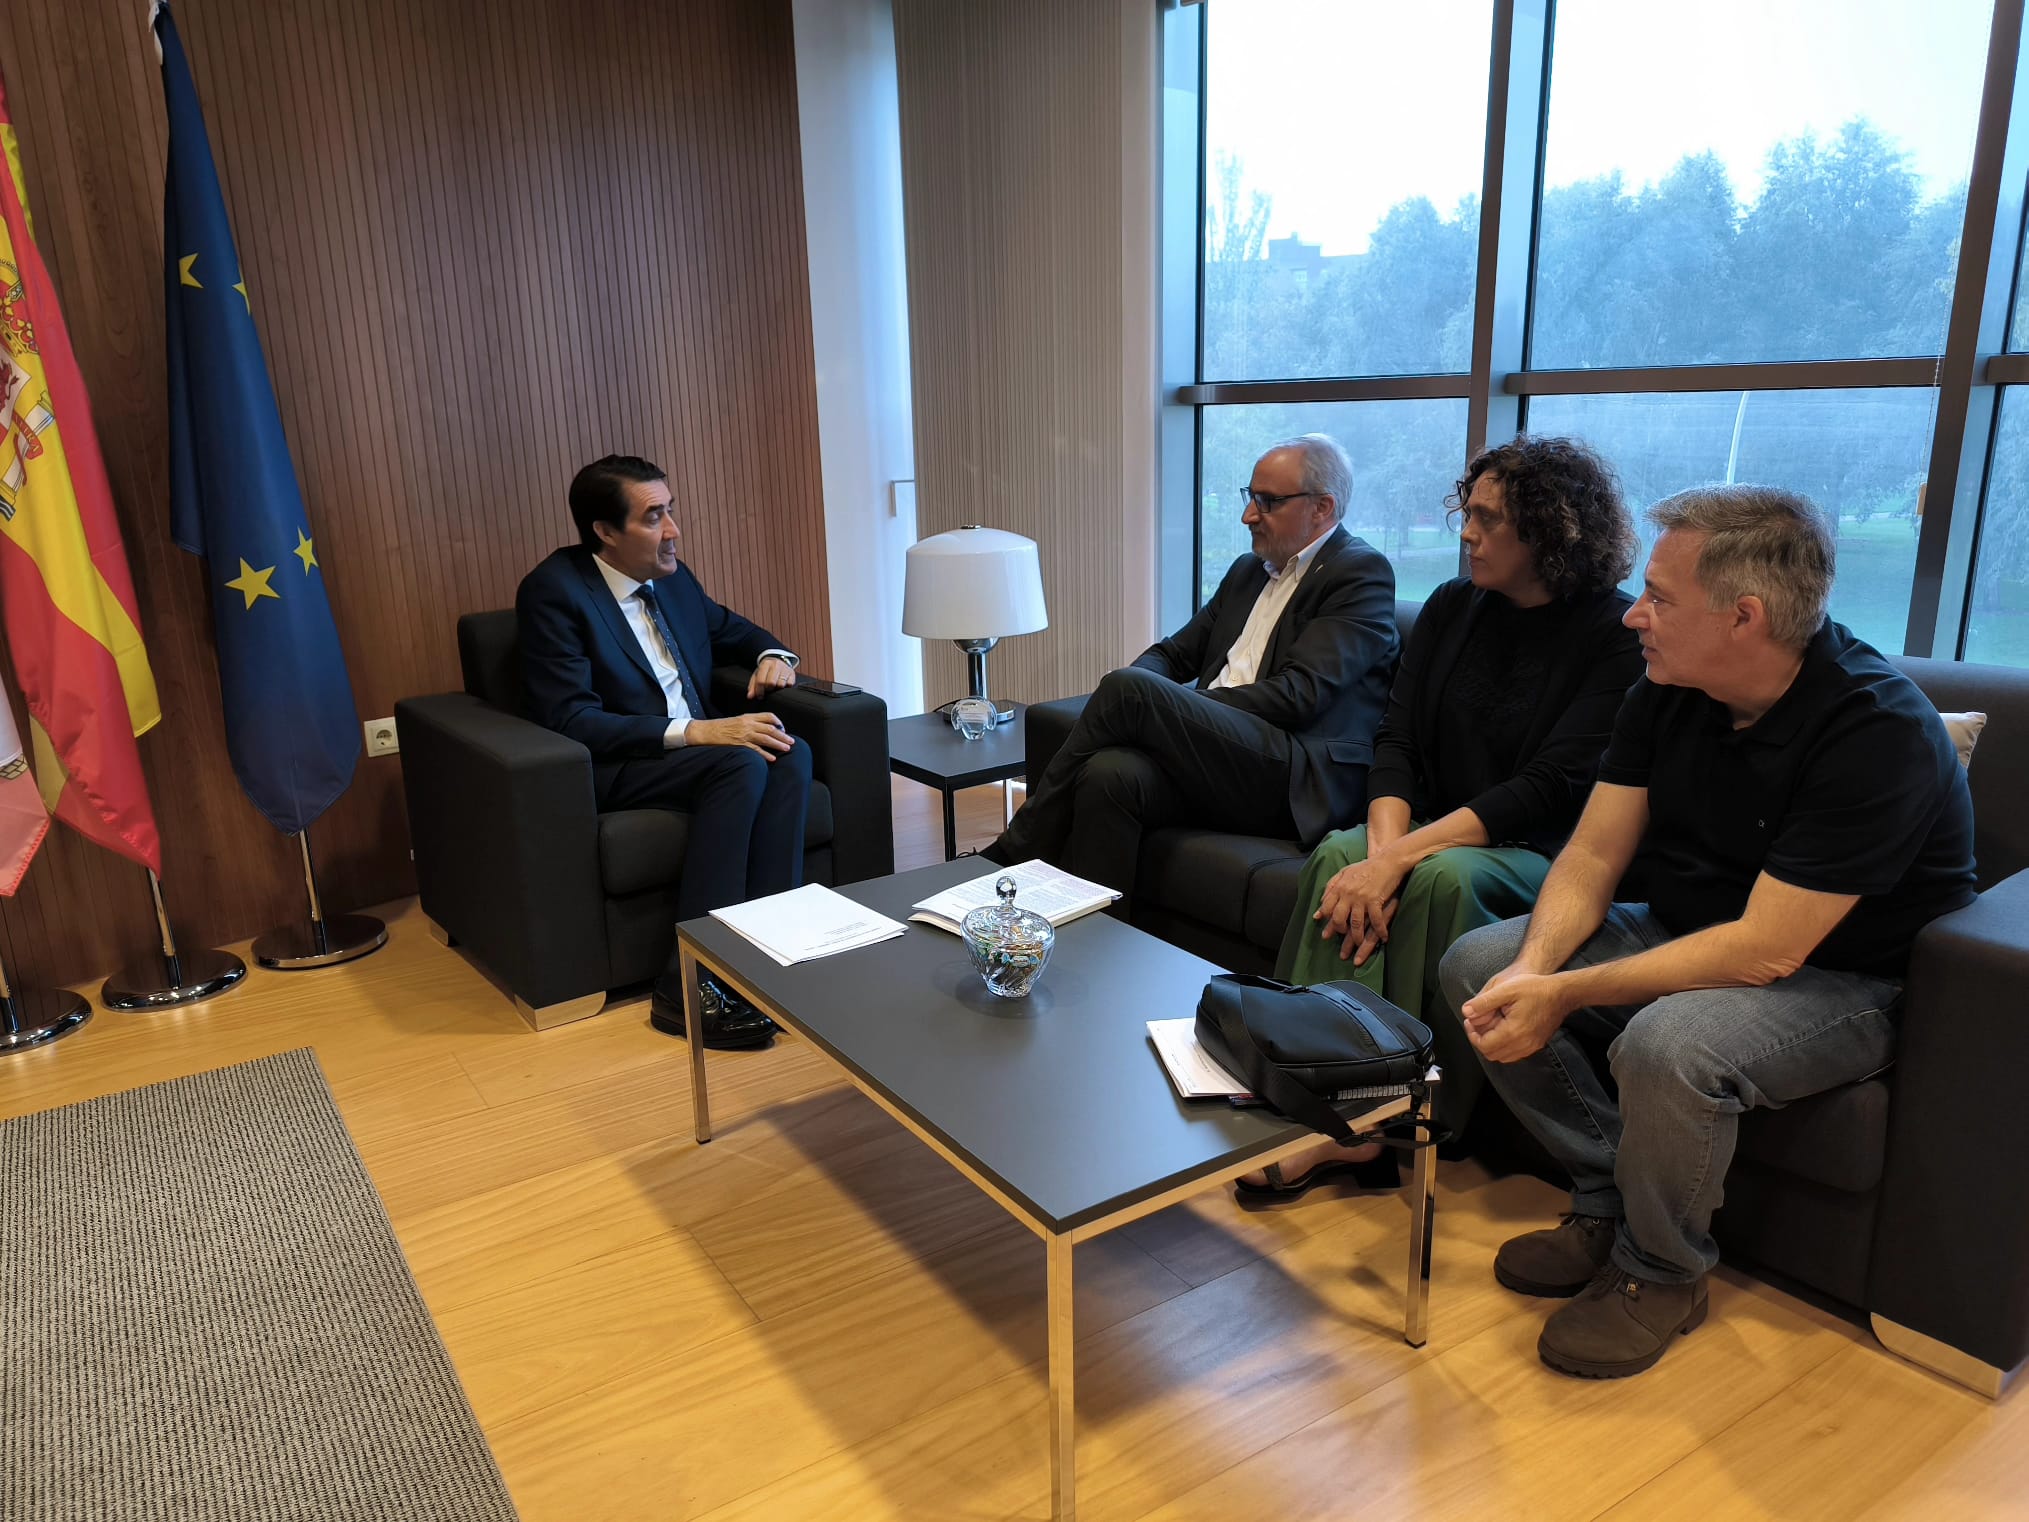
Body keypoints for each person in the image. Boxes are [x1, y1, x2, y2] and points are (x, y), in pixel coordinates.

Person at [1436, 484, 1976, 1380]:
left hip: (1843, 976)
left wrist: (1563, 992)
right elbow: (1592, 856)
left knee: (1667, 1043)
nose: (1632, 617)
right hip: (1688, 927)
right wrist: (1532, 969)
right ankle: (1608, 1197)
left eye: (1658, 598)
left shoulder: (1875, 731)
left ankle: (1661, 1272)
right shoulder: (1667, 686)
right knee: (1476, 963)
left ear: (1744, 617)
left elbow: (1766, 948)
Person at [1239, 436, 1643, 1202]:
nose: (1465, 532)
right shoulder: (1455, 606)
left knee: (1439, 879)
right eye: (1468, 512)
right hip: (1435, 830)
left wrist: (1394, 864)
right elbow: (1395, 741)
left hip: (1542, 851)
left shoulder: (1610, 638)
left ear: (1550, 531)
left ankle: (1402, 1119)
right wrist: (1377, 857)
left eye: (1488, 519)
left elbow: (1544, 790)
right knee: (1335, 856)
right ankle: (1316, 1100)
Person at [984, 434, 1398, 915]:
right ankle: (1100, 945)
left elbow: (1300, 695)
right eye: (1250, 497)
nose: (1248, 515)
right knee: (1109, 774)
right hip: (1226, 756)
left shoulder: (1359, 573)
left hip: (1292, 771)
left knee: (1131, 690)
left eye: (1268, 502)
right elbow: (1172, 655)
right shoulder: (1250, 571)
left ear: (1322, 508)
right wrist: (1162, 713)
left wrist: (1182, 711)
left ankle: (1015, 849)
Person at [517, 454, 812, 1049]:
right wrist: (698, 732)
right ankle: (689, 985)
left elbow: (736, 630)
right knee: (740, 758)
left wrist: (773, 656)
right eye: (654, 517)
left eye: (670, 510)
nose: (673, 529)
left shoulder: (674, 580)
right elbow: (571, 719)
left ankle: (767, 956)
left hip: (697, 754)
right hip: (618, 763)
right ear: (605, 531)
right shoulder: (554, 593)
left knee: (790, 752)